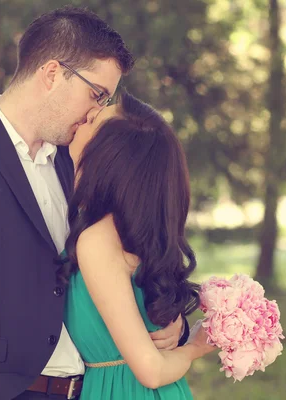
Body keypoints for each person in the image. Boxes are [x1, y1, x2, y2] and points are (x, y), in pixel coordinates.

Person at [0, 6, 188, 400]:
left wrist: (176, 328)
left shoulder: (79, 162)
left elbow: (130, 258)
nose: (97, 111)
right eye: (97, 93)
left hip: (93, 390)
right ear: (52, 74)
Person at [58, 91, 216, 399]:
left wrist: (195, 347)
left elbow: (152, 370)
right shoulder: (121, 230)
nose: (82, 119)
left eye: (92, 121)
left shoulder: (98, 238)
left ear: (105, 156)